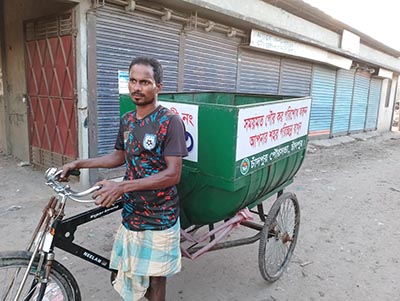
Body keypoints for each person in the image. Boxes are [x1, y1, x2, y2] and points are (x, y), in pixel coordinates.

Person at [61, 56, 188, 301]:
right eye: (132, 81)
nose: (137, 87)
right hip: (132, 210)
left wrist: (122, 186)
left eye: (145, 82)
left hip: (159, 215)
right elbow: (118, 157)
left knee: (155, 281)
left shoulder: (169, 122)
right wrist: (79, 163)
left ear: (158, 87)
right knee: (126, 272)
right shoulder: (128, 120)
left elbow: (173, 174)